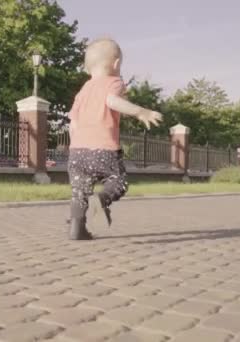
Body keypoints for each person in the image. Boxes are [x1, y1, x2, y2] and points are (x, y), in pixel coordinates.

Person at [67, 38, 162, 240]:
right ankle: (100, 200)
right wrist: (140, 111)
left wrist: (75, 145)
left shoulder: (83, 90)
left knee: (79, 191)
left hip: (77, 152)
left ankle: (77, 228)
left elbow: (72, 123)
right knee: (118, 182)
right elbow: (112, 101)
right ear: (116, 64)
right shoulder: (114, 82)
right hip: (103, 149)